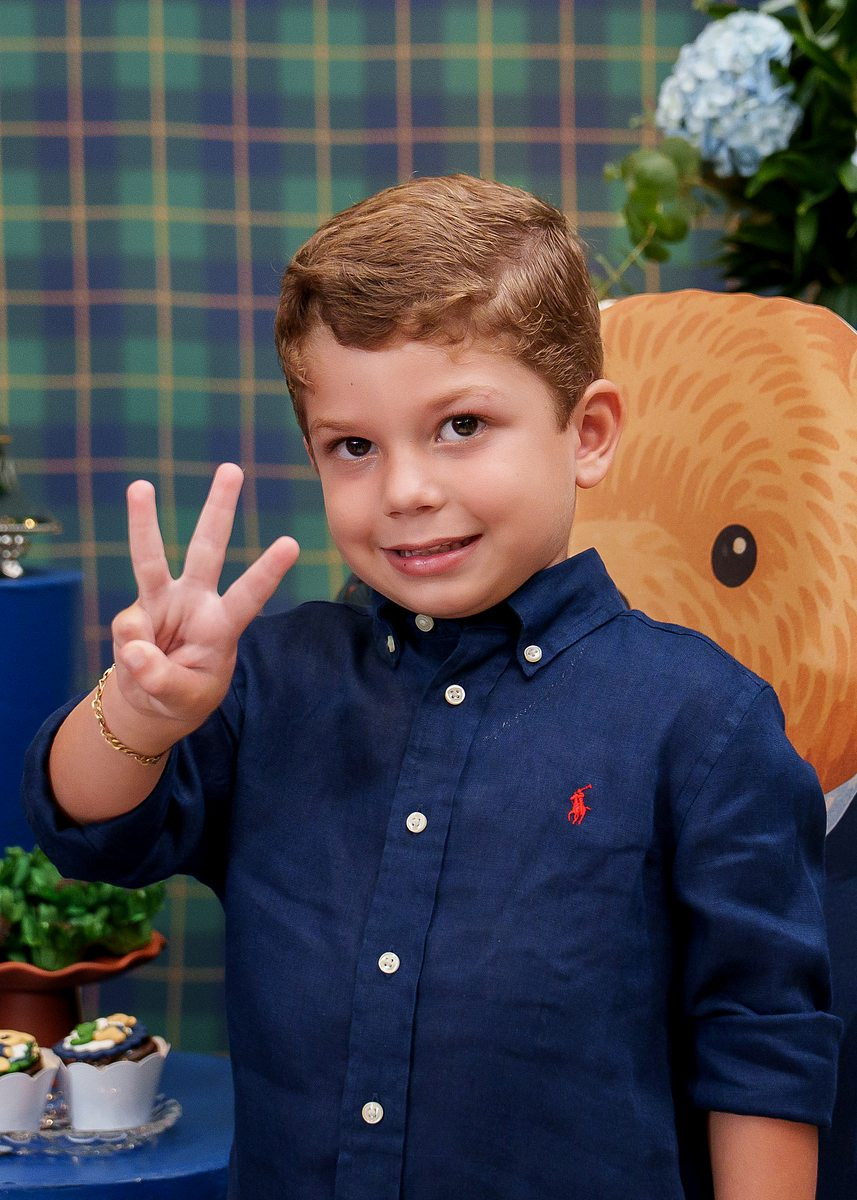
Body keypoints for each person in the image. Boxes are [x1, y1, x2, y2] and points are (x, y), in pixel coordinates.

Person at [24, 175, 839, 1200]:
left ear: (586, 433)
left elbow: (761, 1044)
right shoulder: (268, 679)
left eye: (460, 426)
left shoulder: (703, 719)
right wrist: (138, 714)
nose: (405, 490)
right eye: (353, 447)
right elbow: (87, 830)